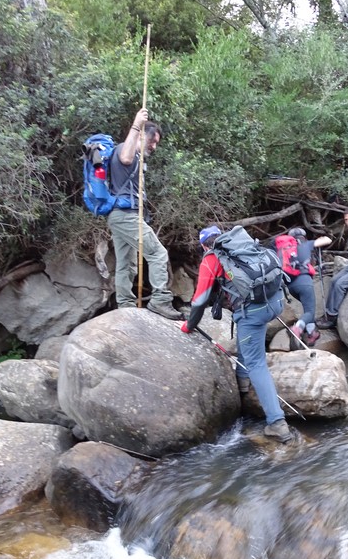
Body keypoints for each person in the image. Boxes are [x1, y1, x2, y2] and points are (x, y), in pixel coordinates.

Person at [180, 225, 293, 443]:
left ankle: (277, 423)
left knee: (257, 363)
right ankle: (242, 383)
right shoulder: (245, 245)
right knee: (247, 339)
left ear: (204, 245)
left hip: (254, 313)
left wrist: (188, 326)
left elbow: (200, 299)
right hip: (277, 303)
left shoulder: (212, 259)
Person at [106, 108, 182, 320]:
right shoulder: (125, 150)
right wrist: (136, 124)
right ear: (141, 135)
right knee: (158, 253)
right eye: (152, 140)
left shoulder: (138, 155)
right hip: (125, 215)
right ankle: (160, 301)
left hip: (119, 216)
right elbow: (126, 157)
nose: (154, 146)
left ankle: (125, 305)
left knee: (126, 264)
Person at [284, 228, 332, 348]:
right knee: (310, 311)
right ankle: (298, 327)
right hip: (304, 282)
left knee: (307, 307)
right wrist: (319, 239)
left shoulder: (285, 249)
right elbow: (327, 240)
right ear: (303, 237)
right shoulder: (307, 244)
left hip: (291, 286)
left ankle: (312, 333)